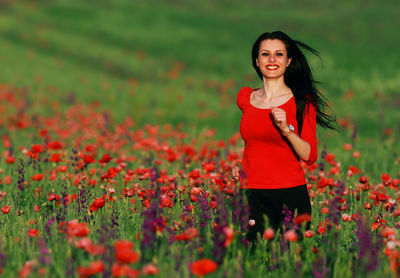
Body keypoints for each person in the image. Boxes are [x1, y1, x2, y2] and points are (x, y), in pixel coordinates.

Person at [232, 31, 337, 242]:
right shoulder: (246, 98)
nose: (272, 60)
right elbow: (255, 145)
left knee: (290, 263)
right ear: (256, 60)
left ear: (288, 61)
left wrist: (286, 129)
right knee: (253, 259)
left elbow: (310, 155)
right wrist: (241, 168)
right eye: (265, 54)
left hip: (290, 194)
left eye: (279, 54)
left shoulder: (302, 102)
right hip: (252, 193)